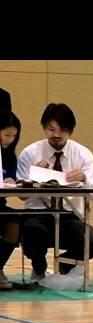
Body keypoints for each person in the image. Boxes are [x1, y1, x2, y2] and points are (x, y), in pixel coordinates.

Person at [16, 103, 93, 281]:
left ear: (71, 130)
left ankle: (65, 265)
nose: (56, 135)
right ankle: (39, 266)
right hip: (37, 213)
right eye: (51, 129)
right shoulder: (30, 153)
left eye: (62, 130)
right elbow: (22, 194)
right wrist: (33, 176)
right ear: (44, 128)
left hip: (69, 215)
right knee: (31, 230)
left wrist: (84, 178)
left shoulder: (82, 154)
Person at [0, 109, 21, 289]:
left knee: (14, 222)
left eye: (13, 136)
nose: (9, 139)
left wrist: (10, 181)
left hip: (0, 204)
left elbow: (13, 178)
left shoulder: (9, 156)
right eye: (6, 135)